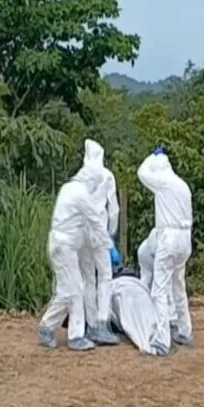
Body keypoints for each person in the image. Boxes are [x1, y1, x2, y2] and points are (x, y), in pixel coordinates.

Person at [39, 165, 113, 351]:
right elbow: (95, 220)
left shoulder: (68, 188)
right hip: (64, 246)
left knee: (68, 289)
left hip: (62, 245)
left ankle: (53, 328)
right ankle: (68, 333)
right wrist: (108, 245)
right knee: (73, 289)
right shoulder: (81, 194)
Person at [137, 148, 194, 355]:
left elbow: (141, 173)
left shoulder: (163, 182)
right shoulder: (182, 185)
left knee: (159, 290)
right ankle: (185, 330)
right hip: (185, 238)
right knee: (178, 285)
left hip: (169, 238)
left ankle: (162, 340)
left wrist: (151, 156)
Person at [77, 139, 120, 345]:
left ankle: (90, 324)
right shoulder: (107, 175)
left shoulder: (79, 177)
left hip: (81, 232)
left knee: (87, 278)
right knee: (105, 275)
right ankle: (102, 324)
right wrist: (111, 234)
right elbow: (114, 210)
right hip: (99, 230)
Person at [136, 227, 176, 330]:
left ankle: (145, 310)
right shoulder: (165, 232)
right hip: (149, 254)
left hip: (146, 250)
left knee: (147, 281)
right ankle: (171, 318)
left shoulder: (164, 229)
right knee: (161, 284)